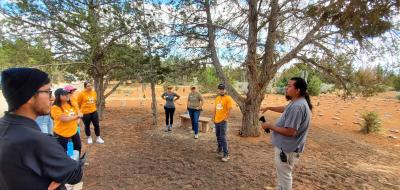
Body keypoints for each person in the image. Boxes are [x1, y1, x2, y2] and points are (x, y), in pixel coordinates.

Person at [0, 68, 83, 190]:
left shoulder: (4, 127)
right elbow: (75, 174)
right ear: (29, 96)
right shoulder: (38, 141)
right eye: (48, 92)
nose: (51, 98)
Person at [260, 77, 312, 190]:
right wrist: (269, 107)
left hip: (287, 149)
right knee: (283, 176)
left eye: (289, 86)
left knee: (285, 177)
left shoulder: (298, 107)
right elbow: (285, 108)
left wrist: (270, 126)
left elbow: (291, 132)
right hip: (288, 147)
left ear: (297, 90)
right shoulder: (297, 102)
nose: (286, 88)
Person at [51, 88, 82, 155]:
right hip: (61, 134)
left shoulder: (71, 103)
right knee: (63, 152)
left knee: (78, 147)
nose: (68, 95)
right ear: (58, 96)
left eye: (67, 93)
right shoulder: (55, 107)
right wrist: (77, 117)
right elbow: (64, 119)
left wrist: (78, 118)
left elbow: (78, 111)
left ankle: (77, 162)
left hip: (74, 131)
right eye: (65, 94)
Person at [212, 83, 233, 162]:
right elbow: (215, 108)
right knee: (218, 135)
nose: (221, 90)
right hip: (216, 120)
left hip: (223, 121)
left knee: (223, 137)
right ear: (218, 90)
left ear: (225, 90)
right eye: (220, 89)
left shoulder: (228, 98)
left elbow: (230, 109)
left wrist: (226, 118)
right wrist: (213, 117)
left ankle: (226, 155)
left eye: (223, 89)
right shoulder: (217, 98)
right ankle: (219, 149)